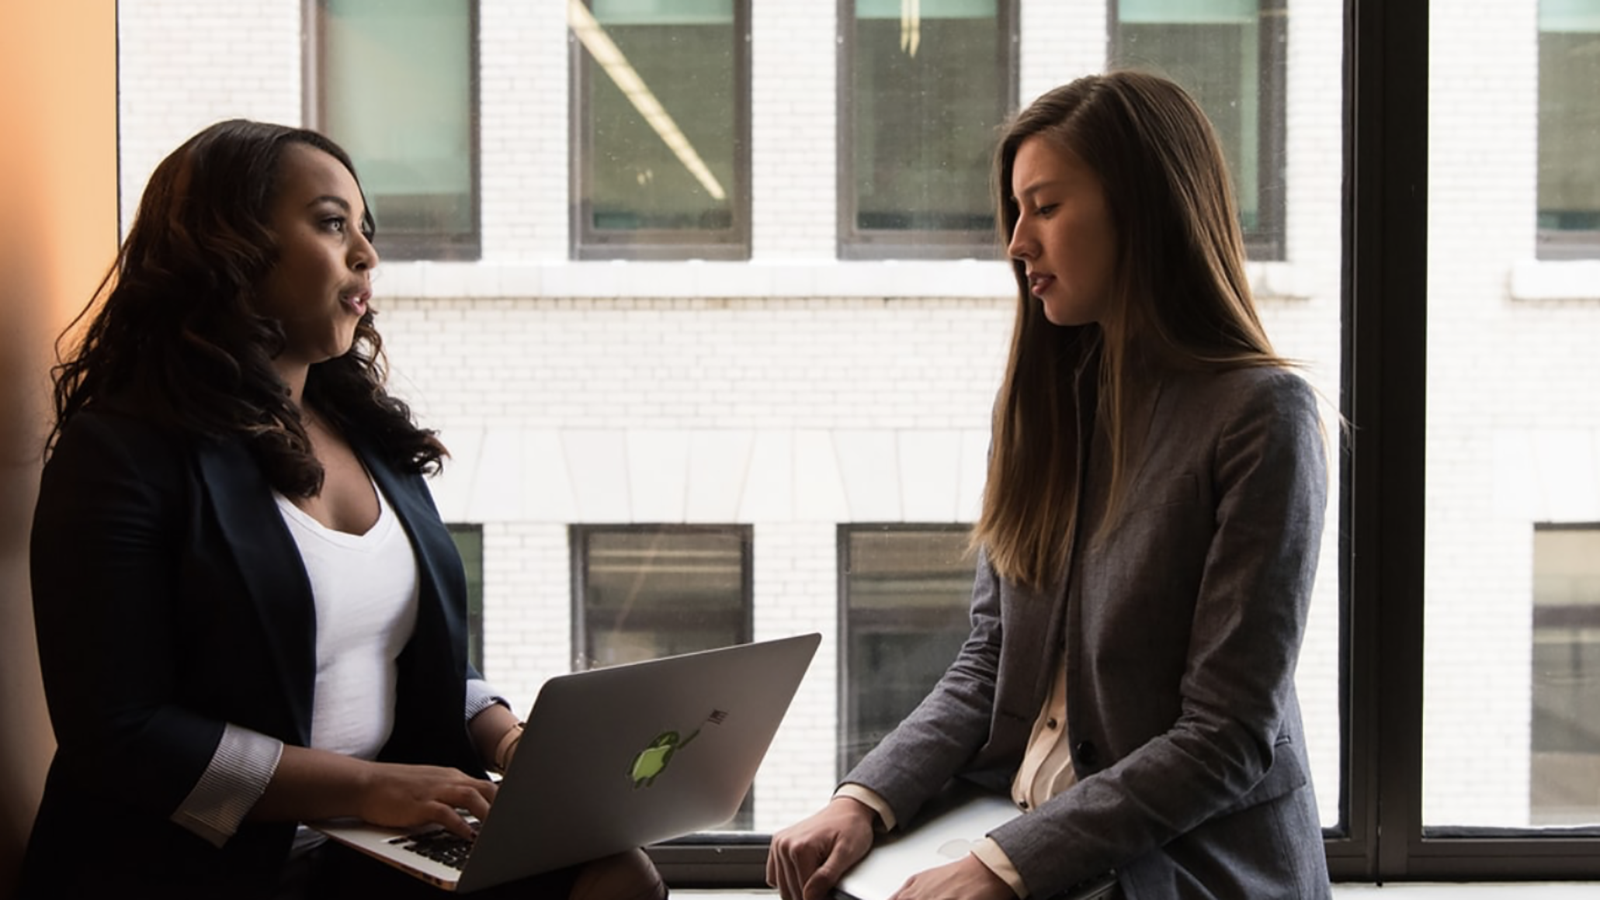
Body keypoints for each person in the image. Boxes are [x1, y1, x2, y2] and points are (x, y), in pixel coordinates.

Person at [20, 119, 665, 900]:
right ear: (225, 247)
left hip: (368, 842)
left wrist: (518, 743)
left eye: (367, 230)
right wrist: (363, 788)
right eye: (332, 224)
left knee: (617, 876)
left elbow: (408, 653)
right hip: (200, 862)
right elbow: (119, 733)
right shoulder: (120, 452)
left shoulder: (368, 436)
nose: (366, 254)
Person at [767, 71, 1332, 900]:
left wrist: (1005, 868)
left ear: (1142, 208)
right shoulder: (1040, 410)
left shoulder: (1260, 416)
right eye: (1016, 211)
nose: (1017, 242)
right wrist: (866, 799)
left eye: (1047, 206)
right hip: (1022, 816)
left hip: (1190, 859)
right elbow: (990, 661)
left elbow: (1225, 736)